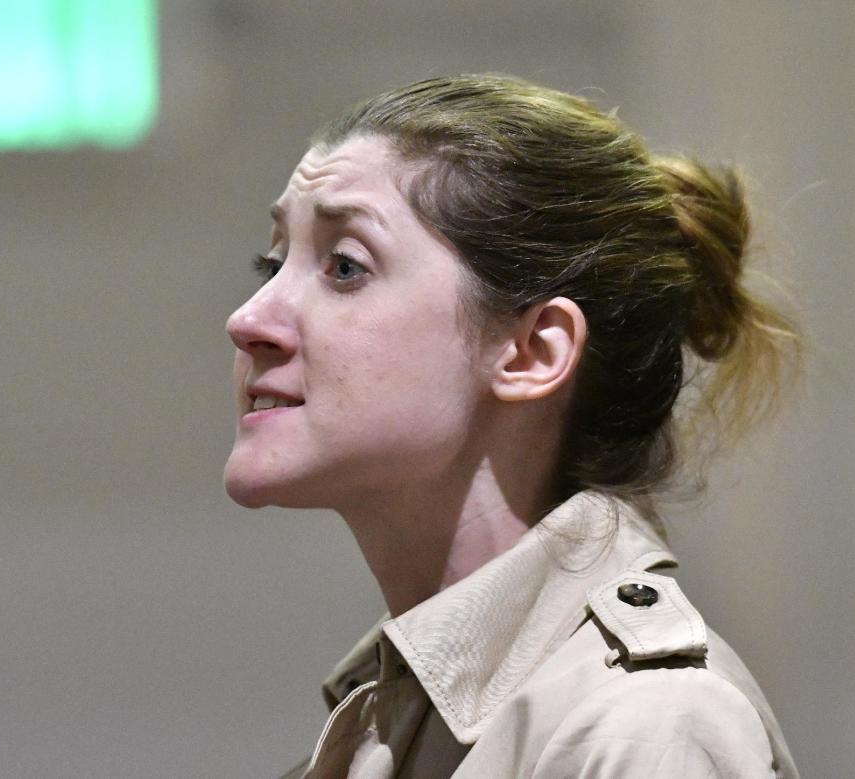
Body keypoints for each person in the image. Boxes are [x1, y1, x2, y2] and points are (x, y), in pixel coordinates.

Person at [224, 73, 801, 778]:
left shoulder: (645, 729)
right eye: (273, 262)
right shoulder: (389, 721)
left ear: (533, 351)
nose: (249, 319)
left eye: (345, 266)